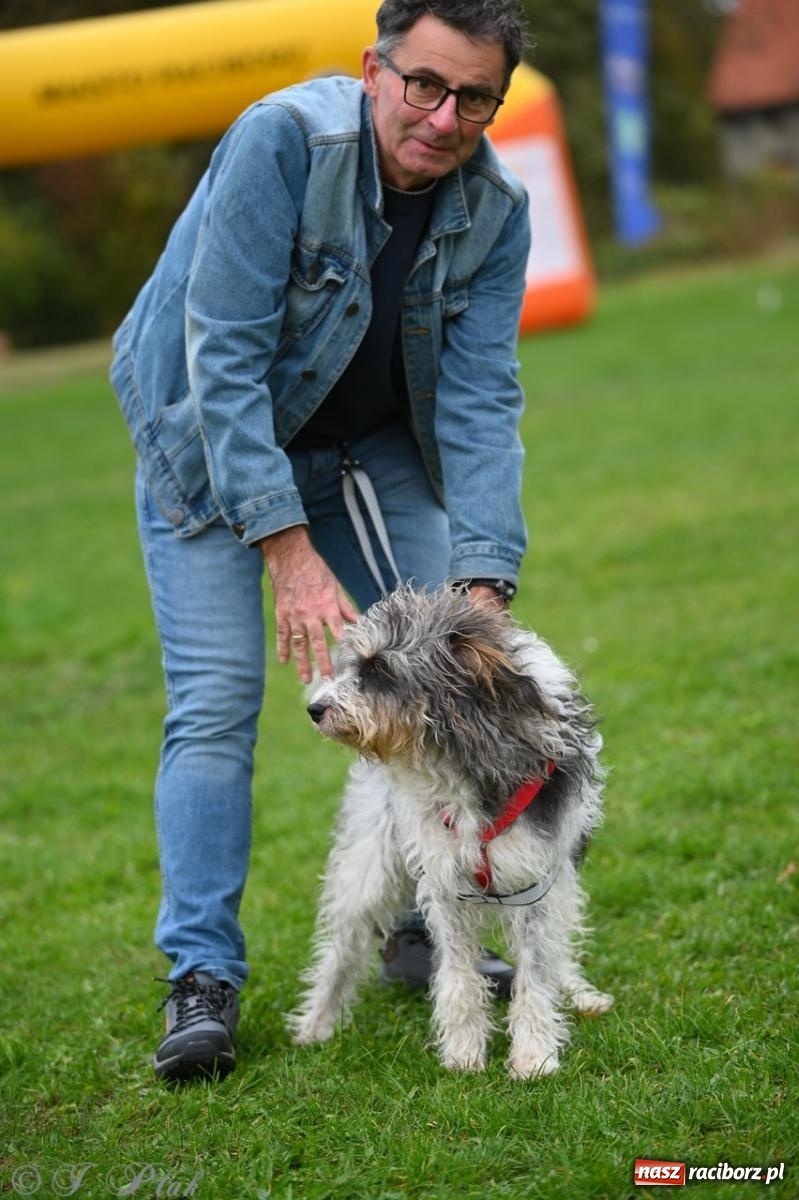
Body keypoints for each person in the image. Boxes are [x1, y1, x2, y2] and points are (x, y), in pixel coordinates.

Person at [111, 0, 531, 1083]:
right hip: (204, 437)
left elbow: (481, 398)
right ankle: (200, 977)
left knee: (438, 674)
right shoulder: (282, 142)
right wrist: (285, 551)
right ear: (374, 70)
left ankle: (414, 922)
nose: (441, 116)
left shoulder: (497, 209)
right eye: (422, 84)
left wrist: (484, 582)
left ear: (495, 102)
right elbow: (225, 352)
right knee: (214, 704)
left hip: (361, 443)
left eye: (472, 96)